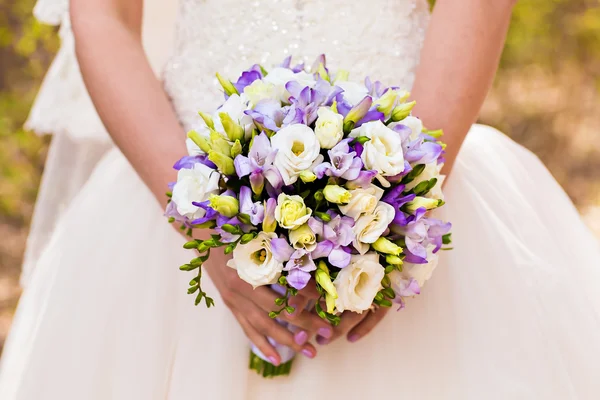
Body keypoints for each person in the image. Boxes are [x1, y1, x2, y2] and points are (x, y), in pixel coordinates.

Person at [1, 0, 599, 398]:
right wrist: (201, 219)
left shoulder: (408, 195)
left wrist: (402, 201)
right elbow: (102, 15)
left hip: (414, 168)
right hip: (174, 183)